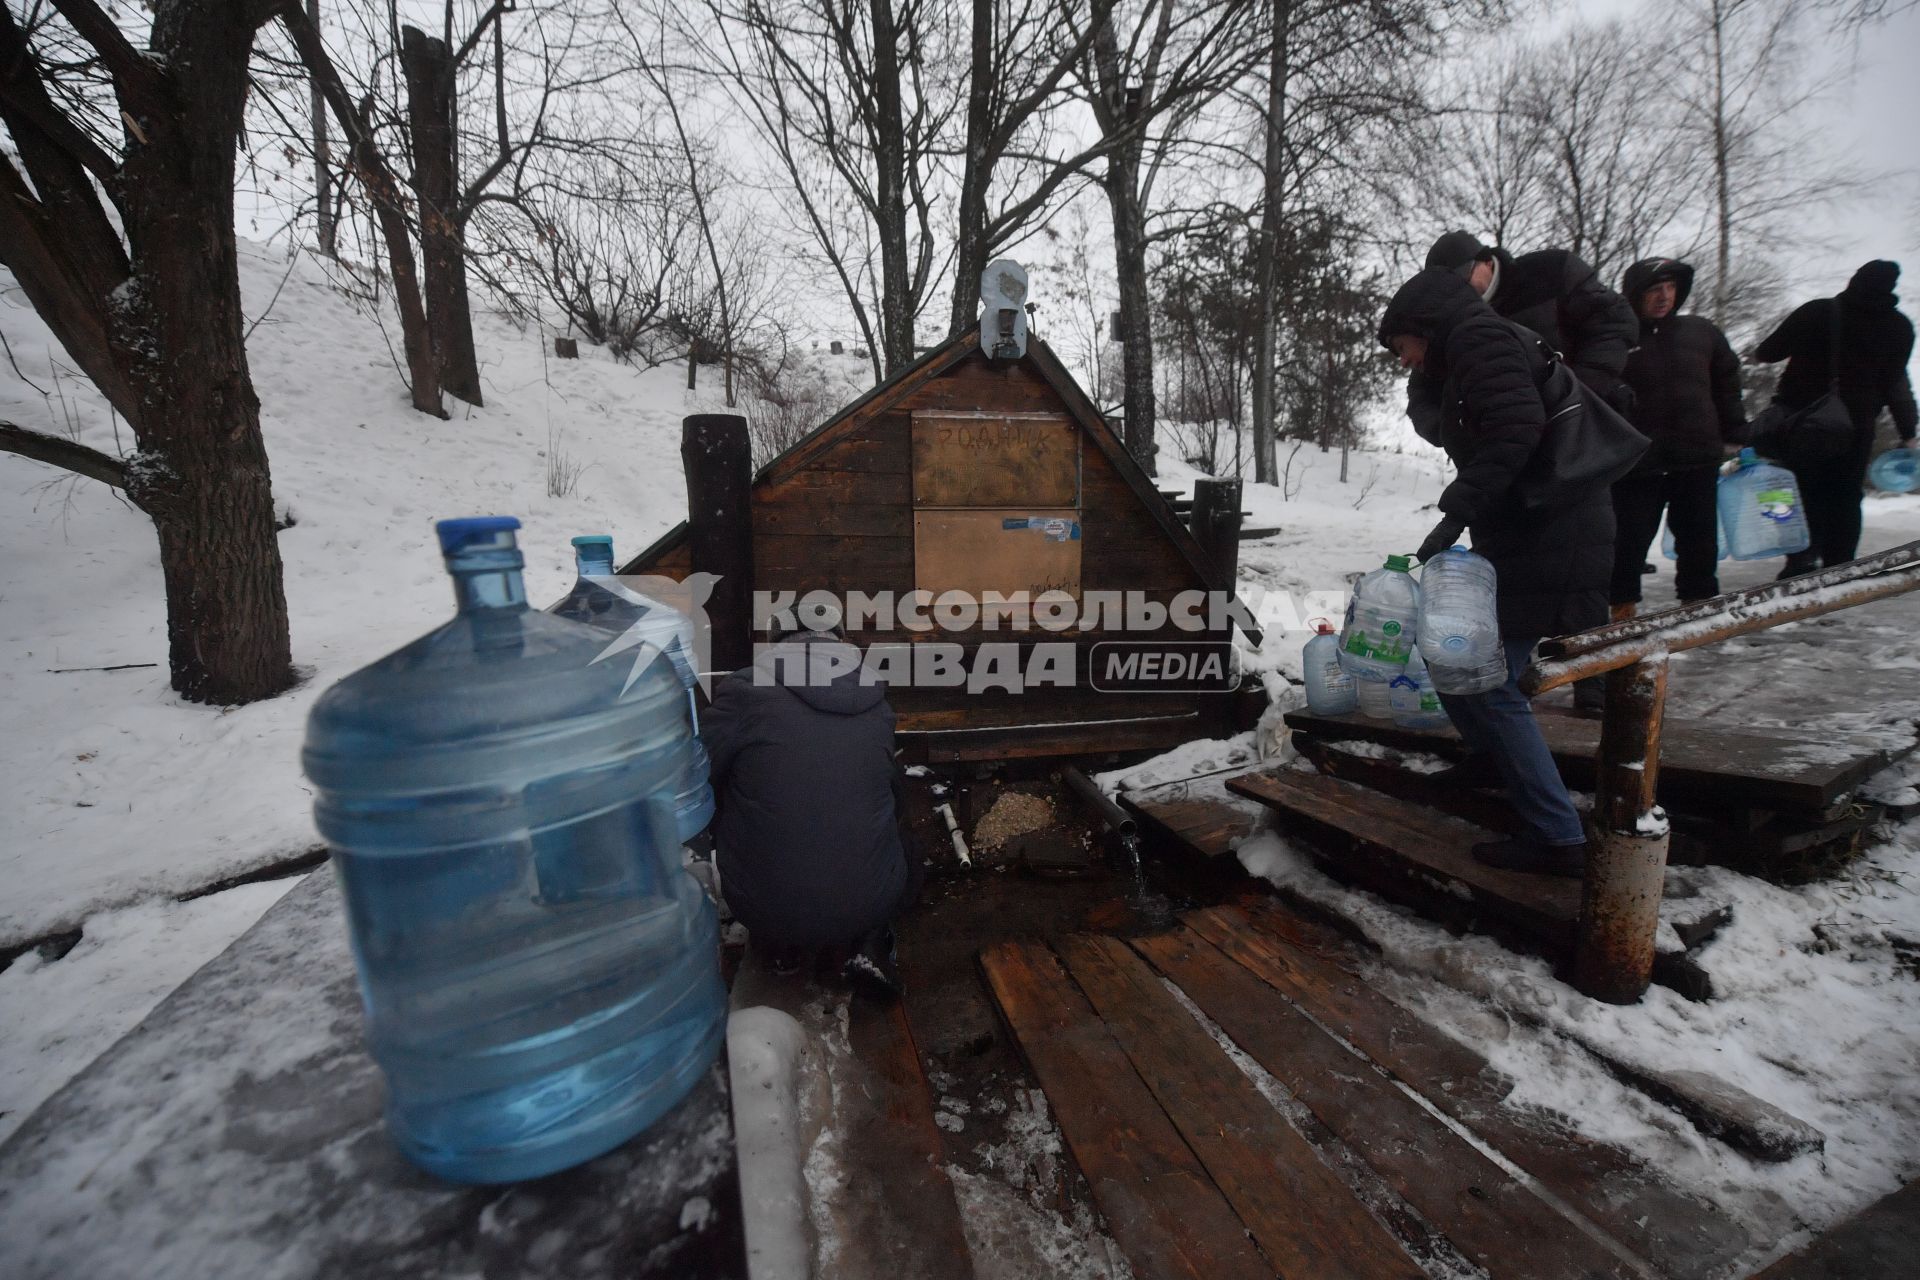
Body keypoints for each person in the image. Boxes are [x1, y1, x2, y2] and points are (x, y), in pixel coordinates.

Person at [1379, 266, 1614, 876]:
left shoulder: (1479, 339)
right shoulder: (1468, 347)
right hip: (1530, 529)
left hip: (1554, 530)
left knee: (1492, 677)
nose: (1404, 361)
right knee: (1451, 656)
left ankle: (1558, 836)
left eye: (1401, 348)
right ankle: (1490, 757)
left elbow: (1515, 431)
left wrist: (1454, 513)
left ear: (1420, 328)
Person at [1417, 231, 1637, 709]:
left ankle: (1593, 688)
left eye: (1463, 278)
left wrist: (1579, 392)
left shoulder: (1550, 274)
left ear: (1486, 260)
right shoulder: (1448, 323)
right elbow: (1423, 400)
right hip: (1505, 464)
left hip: (1572, 447)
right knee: (1507, 569)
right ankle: (1505, 684)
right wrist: (1463, 427)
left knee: (1580, 563)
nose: (1461, 288)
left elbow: (1615, 322)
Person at [700, 612, 921, 995]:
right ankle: (871, 937)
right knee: (905, 840)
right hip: (869, 901)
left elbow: (702, 773)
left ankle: (780, 944)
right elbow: (893, 795)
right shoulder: (876, 700)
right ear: (839, 641)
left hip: (764, 906)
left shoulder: (745, 691)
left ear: (777, 641)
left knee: (736, 795)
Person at [1753, 259, 1918, 576]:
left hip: (1800, 420)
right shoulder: (1900, 327)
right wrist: (1906, 429)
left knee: (1798, 489)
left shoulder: (1818, 311)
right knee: (1845, 495)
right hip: (1856, 425)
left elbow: (1769, 351)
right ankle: (1839, 566)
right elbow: (1895, 381)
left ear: (1854, 280)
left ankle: (1799, 560)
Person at [1609, 257, 1748, 612]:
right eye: (1655, 289)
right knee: (1628, 539)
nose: (1664, 296)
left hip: (1696, 454)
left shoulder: (1700, 331)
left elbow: (1728, 383)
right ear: (1635, 293)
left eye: (1670, 288)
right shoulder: (1617, 336)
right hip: (1639, 461)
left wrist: (1734, 432)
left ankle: (1699, 605)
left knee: (1699, 538)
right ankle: (1620, 609)